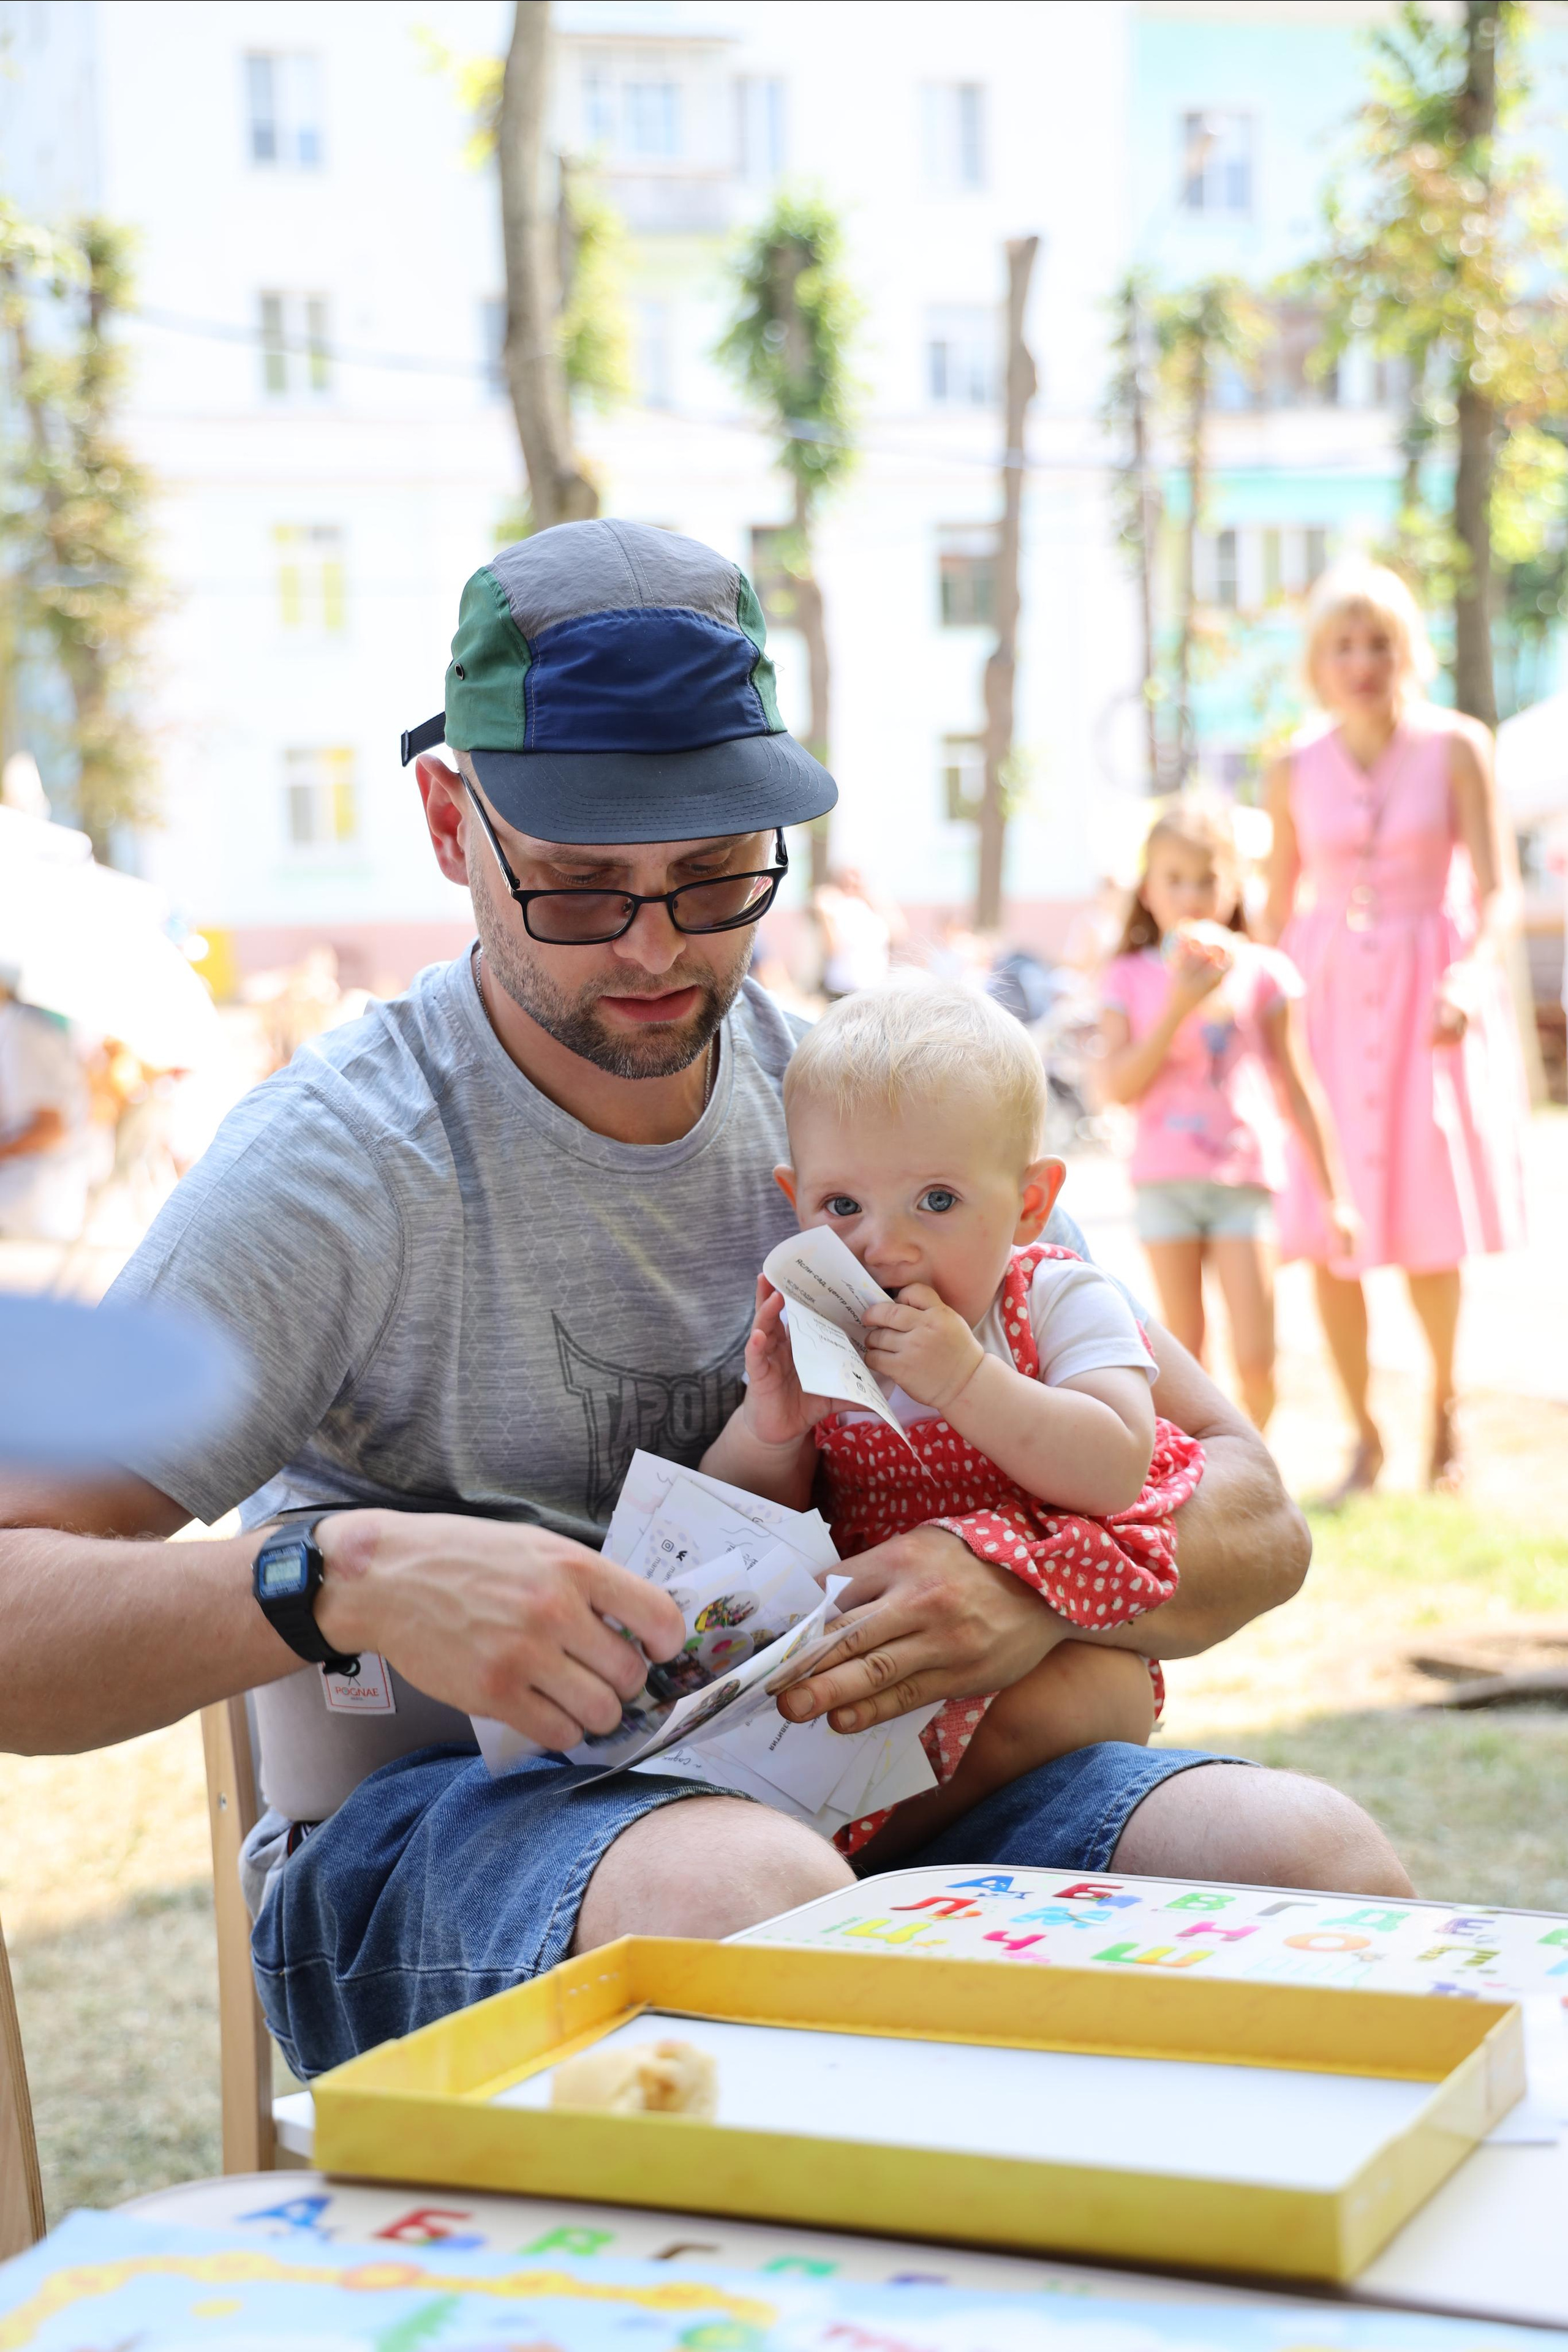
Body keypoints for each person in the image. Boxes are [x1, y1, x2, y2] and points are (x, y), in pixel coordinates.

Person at [0, 521, 1404, 2086]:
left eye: (717, 873)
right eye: (584, 888)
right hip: (439, 1844)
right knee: (758, 1916)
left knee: (1311, 1873)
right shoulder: (339, 1169)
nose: (661, 946)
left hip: (876, 1798)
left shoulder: (850, 1116)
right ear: (450, 820)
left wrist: (1030, 1584)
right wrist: (336, 1572)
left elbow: (1252, 1517)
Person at [702, 980, 1203, 1868]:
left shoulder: (1054, 1300)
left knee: (1084, 1697)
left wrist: (967, 1379)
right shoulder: (827, 1320)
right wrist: (770, 1429)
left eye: (936, 1201)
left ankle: (861, 1858)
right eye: (842, 1206)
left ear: (1030, 1203)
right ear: (796, 1198)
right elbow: (737, 1527)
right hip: (875, 1656)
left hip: (1045, 1643)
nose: (882, 1247)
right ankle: (826, 1846)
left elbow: (1116, 1467)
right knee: (806, 1720)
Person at [1261, 562, 1528, 1498]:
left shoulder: (1457, 747)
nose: (1362, 661)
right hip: (1326, 1008)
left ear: (1407, 649)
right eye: (1343, 645)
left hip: (1429, 1007)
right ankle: (1364, 1434)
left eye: (1379, 642)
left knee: (1429, 1219)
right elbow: (1276, 910)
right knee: (1330, 1223)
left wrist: (1471, 975)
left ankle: (1444, 1413)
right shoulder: (1290, 767)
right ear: (1318, 663)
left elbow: (1499, 890)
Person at [1097, 798, 1357, 1431]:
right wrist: (1180, 1005)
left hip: (1244, 1179)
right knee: (1185, 1352)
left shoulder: (1266, 972)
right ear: (1148, 889)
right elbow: (1118, 1086)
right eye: (1173, 879)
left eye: (1207, 879)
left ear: (1236, 884)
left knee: (1256, 1354)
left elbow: (1298, 1086)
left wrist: (1336, 1196)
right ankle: (1201, 1479)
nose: (1190, 895)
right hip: (1164, 1180)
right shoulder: (1128, 976)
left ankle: (1254, 1463)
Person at [0, 971, 92, 1244]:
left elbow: (51, 1129)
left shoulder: (20, 1029)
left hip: (25, 1207)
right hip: (36, 1206)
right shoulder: (25, 1024)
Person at [812, 868, 903, 1000]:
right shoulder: (834, 909)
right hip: (842, 989)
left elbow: (899, 935)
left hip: (875, 988)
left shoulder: (876, 909)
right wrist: (825, 915)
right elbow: (831, 949)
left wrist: (880, 902)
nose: (851, 888)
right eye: (846, 884)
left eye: (856, 884)